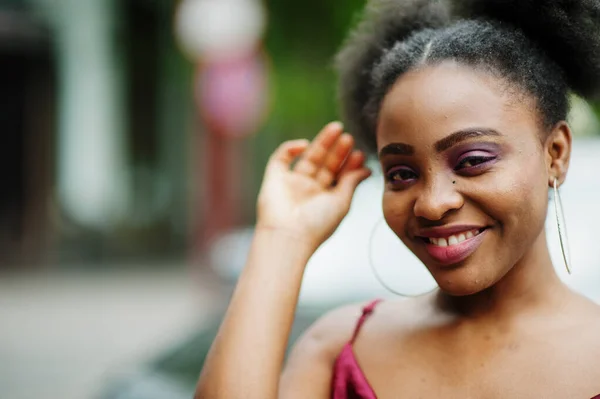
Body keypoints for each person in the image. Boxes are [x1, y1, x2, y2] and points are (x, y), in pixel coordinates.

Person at [196, 0, 600, 397]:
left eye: (473, 160)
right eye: (402, 174)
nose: (432, 203)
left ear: (556, 153)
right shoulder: (338, 350)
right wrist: (281, 237)